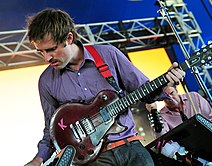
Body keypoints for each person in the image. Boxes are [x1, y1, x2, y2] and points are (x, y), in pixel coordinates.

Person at [24, 8, 185, 166]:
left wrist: (166, 83)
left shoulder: (108, 54)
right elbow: (52, 129)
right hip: (92, 160)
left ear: (69, 38)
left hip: (130, 146)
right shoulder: (46, 81)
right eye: (41, 52)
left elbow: (145, 91)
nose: (46, 58)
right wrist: (38, 160)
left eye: (51, 50)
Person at [146, 84, 212, 137]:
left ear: (177, 91)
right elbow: (162, 136)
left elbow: (211, 117)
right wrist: (153, 112)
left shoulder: (193, 96)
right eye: (165, 97)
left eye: (172, 93)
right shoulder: (162, 115)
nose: (170, 98)